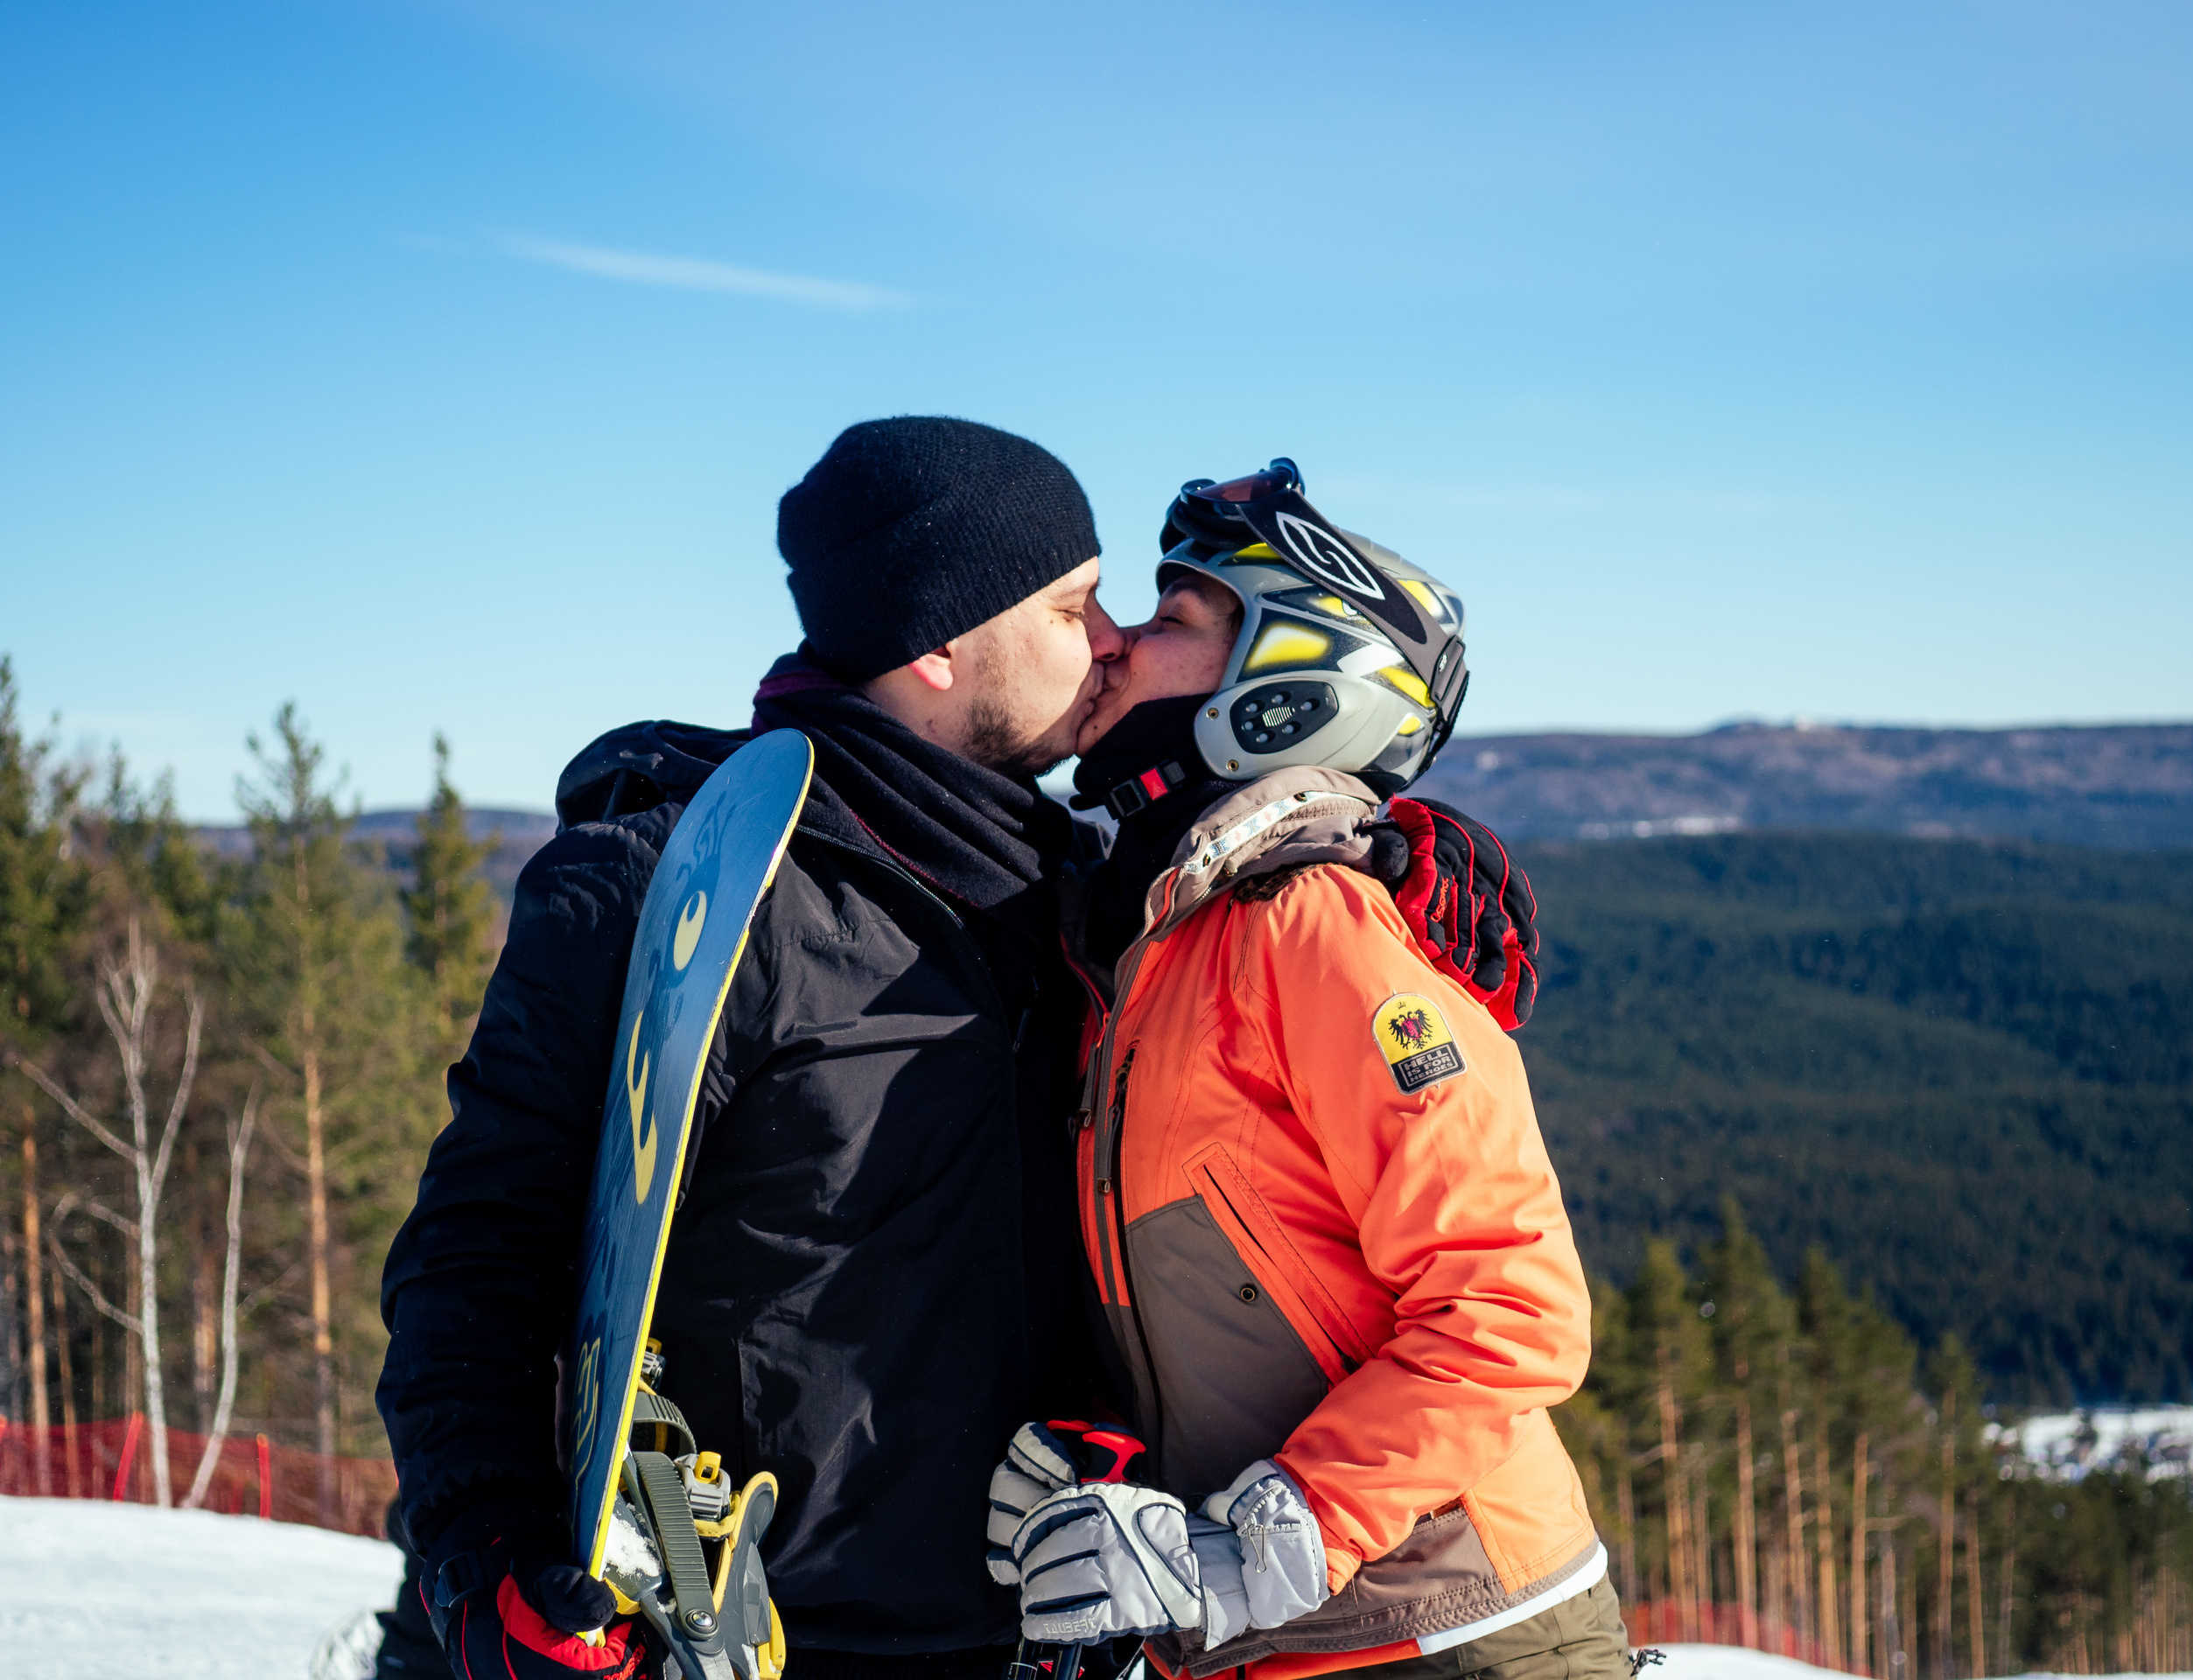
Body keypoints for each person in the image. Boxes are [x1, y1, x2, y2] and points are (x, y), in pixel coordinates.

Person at [377, 416, 1130, 1680]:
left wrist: (1383, 855)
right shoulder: (675, 893)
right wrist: (483, 1552)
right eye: (1073, 607)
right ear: (939, 642)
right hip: (738, 1639)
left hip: (1022, 1635)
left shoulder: (1069, 902)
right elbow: (476, 1256)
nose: (1108, 641)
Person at [984, 462, 1623, 1680]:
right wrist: (1106, 1448)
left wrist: (1256, 1544)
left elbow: (1511, 1308)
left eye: (1171, 620)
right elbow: (1232, 1287)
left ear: (1283, 686)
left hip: (1454, 1629)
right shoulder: (1148, 947)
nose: (1112, 645)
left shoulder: (1311, 923)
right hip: (1278, 1638)